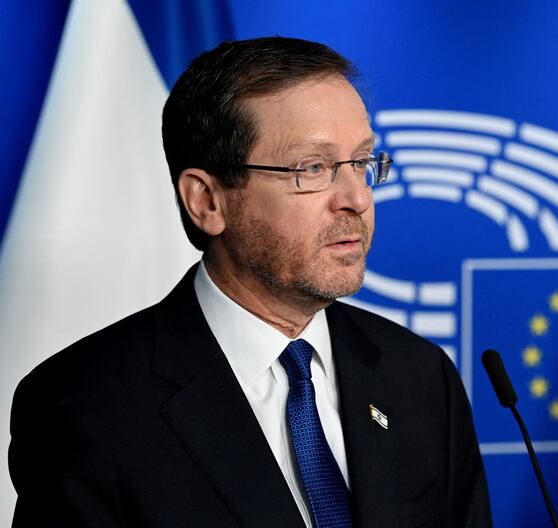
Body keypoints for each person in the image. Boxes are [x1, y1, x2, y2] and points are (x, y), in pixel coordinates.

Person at [8, 36, 491, 527]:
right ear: (208, 202)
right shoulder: (85, 405)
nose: (356, 199)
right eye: (314, 168)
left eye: (363, 163)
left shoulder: (420, 376)